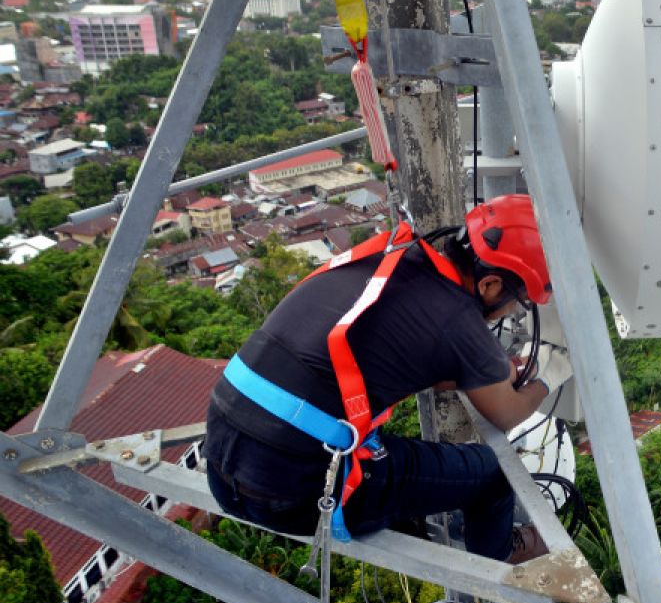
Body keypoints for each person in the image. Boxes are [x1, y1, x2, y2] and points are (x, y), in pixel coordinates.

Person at [204, 194, 572, 563]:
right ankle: (501, 555)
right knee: (493, 474)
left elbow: (434, 363)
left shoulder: (396, 255)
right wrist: (549, 375)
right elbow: (505, 413)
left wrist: (495, 368)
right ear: (490, 285)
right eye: (519, 299)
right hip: (289, 495)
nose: (513, 310)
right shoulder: (459, 321)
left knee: (394, 455)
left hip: (220, 458)